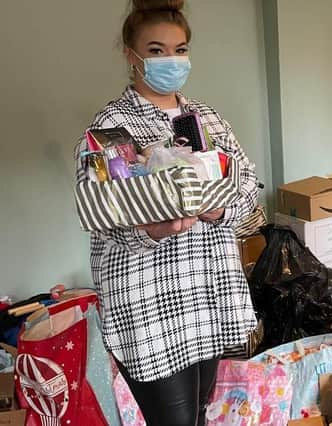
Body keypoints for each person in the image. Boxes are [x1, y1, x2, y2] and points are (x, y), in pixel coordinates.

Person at [73, 0, 258, 424]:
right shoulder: (110, 128)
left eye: (180, 49)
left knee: (198, 411)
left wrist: (220, 211)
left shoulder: (206, 118)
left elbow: (247, 183)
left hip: (209, 297)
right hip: (151, 306)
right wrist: (154, 228)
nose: (170, 60)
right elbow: (102, 213)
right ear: (130, 54)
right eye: (156, 50)